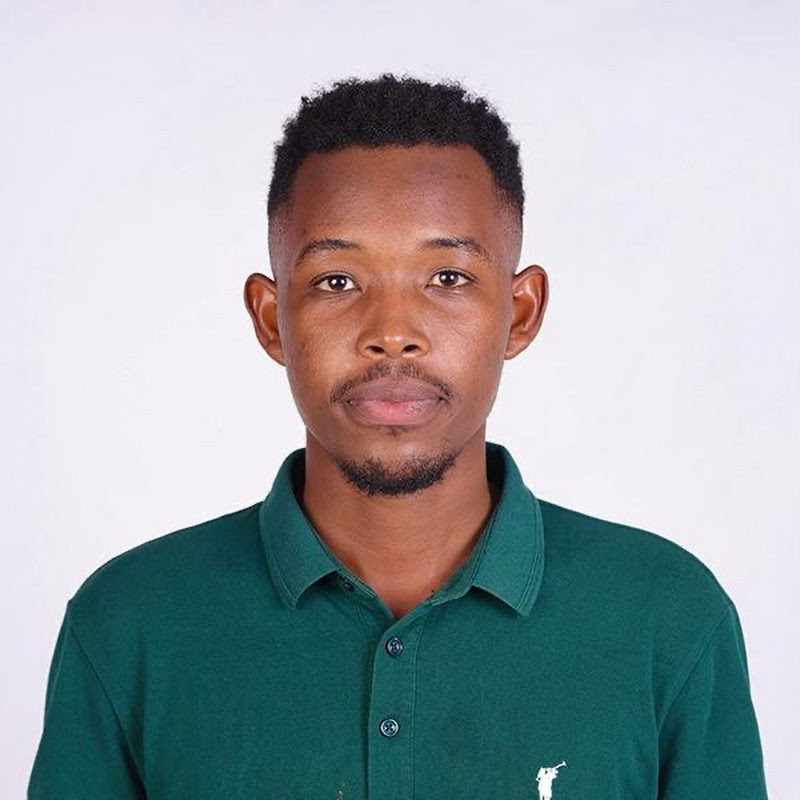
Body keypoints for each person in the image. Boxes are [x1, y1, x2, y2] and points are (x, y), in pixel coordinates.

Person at [28, 75, 767, 799]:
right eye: (337, 281)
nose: (391, 334)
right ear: (270, 318)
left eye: (447, 278)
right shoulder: (130, 624)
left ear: (519, 313)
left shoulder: (667, 618)